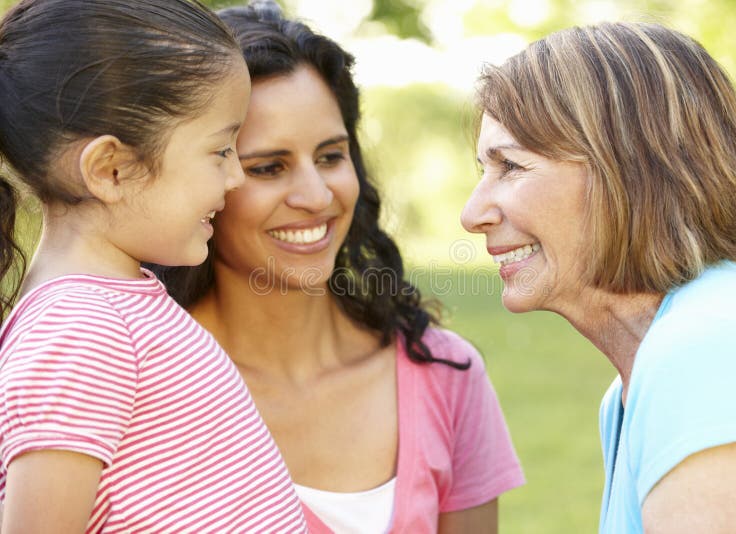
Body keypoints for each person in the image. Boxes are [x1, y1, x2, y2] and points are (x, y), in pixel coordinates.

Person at [151, 1, 524, 532]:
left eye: (330, 156)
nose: (316, 194)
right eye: (269, 167)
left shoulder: (444, 373)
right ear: (201, 181)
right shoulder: (136, 384)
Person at [461, 21, 736, 533]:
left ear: (629, 173)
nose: (473, 213)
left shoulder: (711, 356)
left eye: (510, 167)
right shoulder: (646, 374)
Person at [0, 1, 307, 532]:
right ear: (111, 169)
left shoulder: (115, 307)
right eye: (219, 151)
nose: (235, 178)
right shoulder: (81, 329)